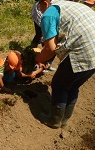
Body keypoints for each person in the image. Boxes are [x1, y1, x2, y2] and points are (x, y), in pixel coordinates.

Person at [35, 0, 95, 129]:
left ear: (45, 2)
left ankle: (55, 121)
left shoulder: (49, 14)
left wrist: (37, 59)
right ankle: (65, 119)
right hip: (93, 51)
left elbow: (50, 49)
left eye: (39, 6)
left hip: (83, 52)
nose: (39, 10)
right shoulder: (68, 4)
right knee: (73, 86)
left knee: (59, 84)